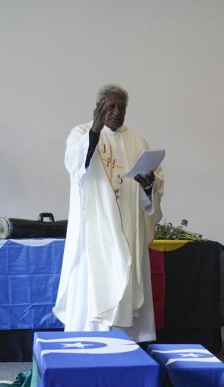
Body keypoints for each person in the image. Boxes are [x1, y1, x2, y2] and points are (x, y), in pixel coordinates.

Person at [53, 84, 163, 342]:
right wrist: (95, 129)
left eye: (121, 107)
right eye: (110, 106)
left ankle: (129, 340)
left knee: (127, 274)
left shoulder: (138, 140)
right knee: (94, 278)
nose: (116, 112)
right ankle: (90, 337)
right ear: (99, 106)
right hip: (95, 225)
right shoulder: (81, 132)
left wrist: (148, 185)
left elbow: (154, 185)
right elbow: (76, 165)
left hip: (128, 223)